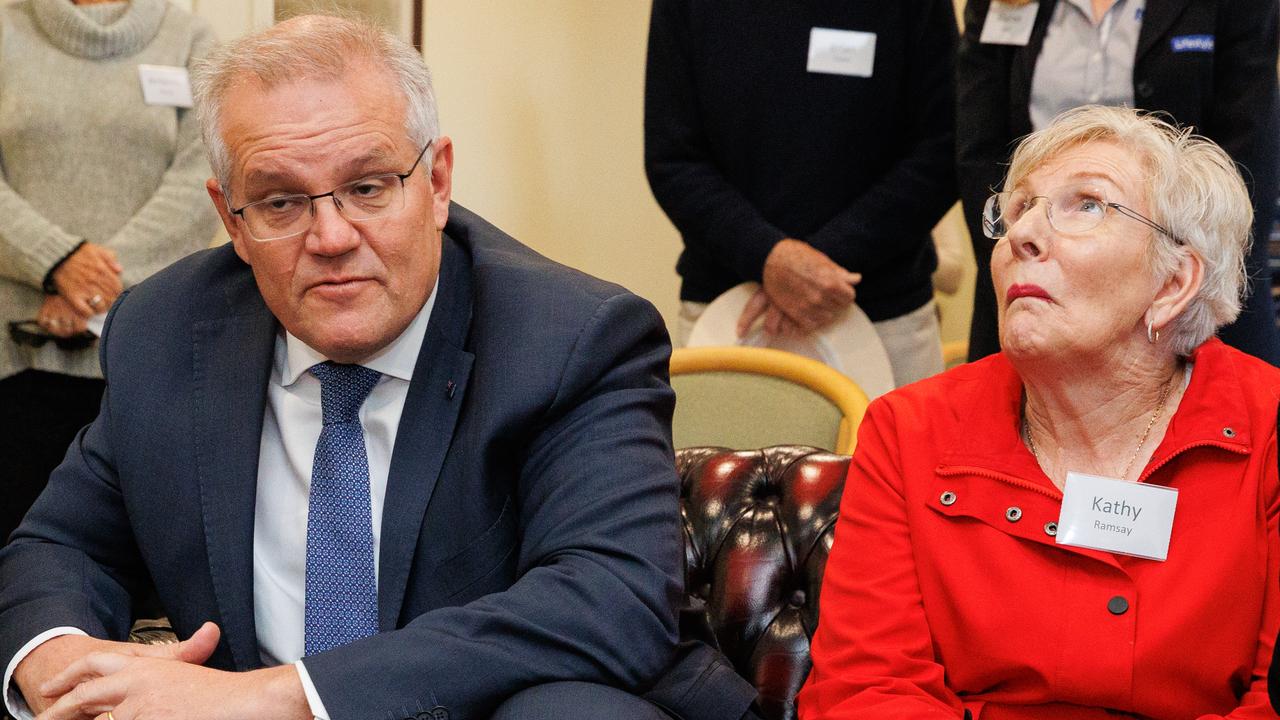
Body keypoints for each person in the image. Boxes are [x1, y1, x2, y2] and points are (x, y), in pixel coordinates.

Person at [0, 15, 759, 720]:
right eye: (280, 203)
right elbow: (58, 545)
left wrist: (280, 697)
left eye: (367, 187)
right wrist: (63, 663)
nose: (331, 236)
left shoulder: (570, 338)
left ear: (436, 183)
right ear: (231, 218)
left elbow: (610, 600)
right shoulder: (167, 331)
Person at [798, 106, 1280, 718]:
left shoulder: (1268, 429)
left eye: (1088, 205)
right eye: (1019, 207)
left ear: (1172, 284)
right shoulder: (909, 430)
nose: (1023, 234)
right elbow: (869, 687)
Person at [643, 0, 958, 388]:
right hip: (728, 312)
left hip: (883, 317)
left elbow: (945, 150)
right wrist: (766, 257)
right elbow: (672, 160)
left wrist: (820, 262)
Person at [0, 0, 220, 544]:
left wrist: (92, 286)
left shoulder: (192, 41)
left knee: (138, 566)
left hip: (147, 354)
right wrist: (55, 261)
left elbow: (205, 178)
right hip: (15, 357)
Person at [957, 0, 1280, 365]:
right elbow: (978, 152)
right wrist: (1029, 260)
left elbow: (1249, 158)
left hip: (1183, 278)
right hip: (1036, 277)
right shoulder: (997, 6)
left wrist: (1171, 283)